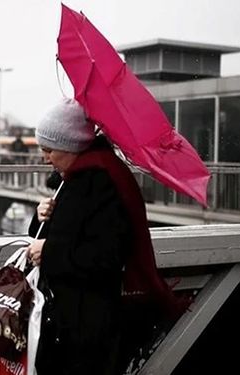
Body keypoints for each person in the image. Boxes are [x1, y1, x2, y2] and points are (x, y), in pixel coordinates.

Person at [25, 98, 187, 374]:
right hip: (66, 321)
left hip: (87, 328)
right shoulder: (72, 180)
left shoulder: (101, 183)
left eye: (49, 149)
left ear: (71, 144)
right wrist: (40, 217)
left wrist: (50, 252)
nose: (45, 157)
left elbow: (106, 256)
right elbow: (57, 236)